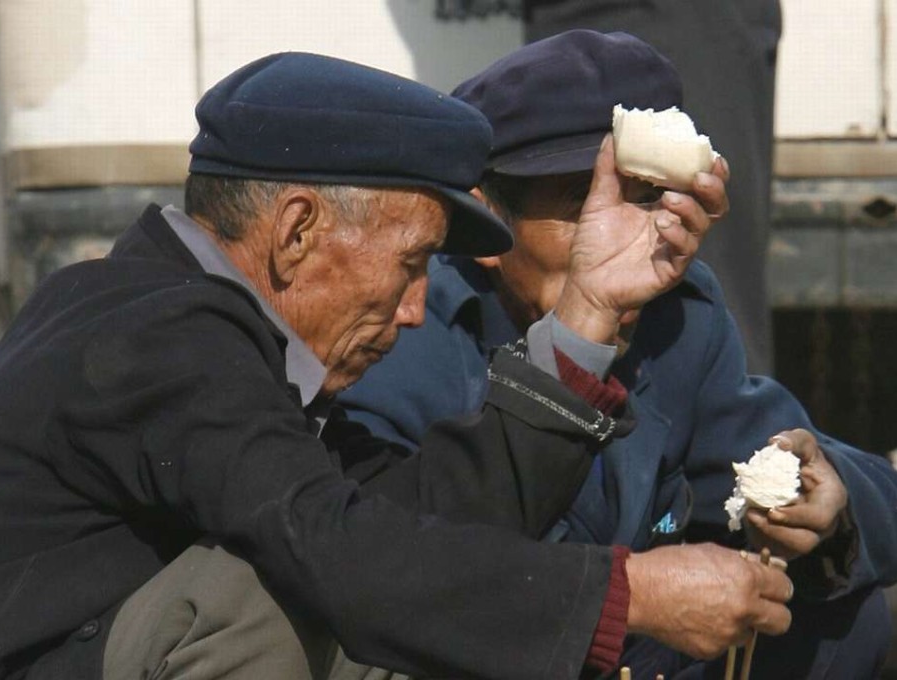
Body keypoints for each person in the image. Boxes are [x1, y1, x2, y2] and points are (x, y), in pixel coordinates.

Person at [0, 51, 791, 680]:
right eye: (406, 265)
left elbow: (411, 523)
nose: (411, 309)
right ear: (299, 231)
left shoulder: (199, 337)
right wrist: (625, 598)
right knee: (274, 603)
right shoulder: (158, 332)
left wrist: (590, 308)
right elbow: (344, 557)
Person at [339, 31, 897, 678]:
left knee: (849, 619)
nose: (625, 238)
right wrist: (628, 595)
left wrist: (825, 510)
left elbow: (799, 460)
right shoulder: (407, 337)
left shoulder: (675, 314)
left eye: (645, 198)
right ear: (485, 226)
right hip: (482, 651)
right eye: (583, 206)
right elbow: (391, 579)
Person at [522, 0, 781, 376]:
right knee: (558, 255)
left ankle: (736, 422)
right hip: (579, 17)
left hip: (693, 22)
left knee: (696, 252)